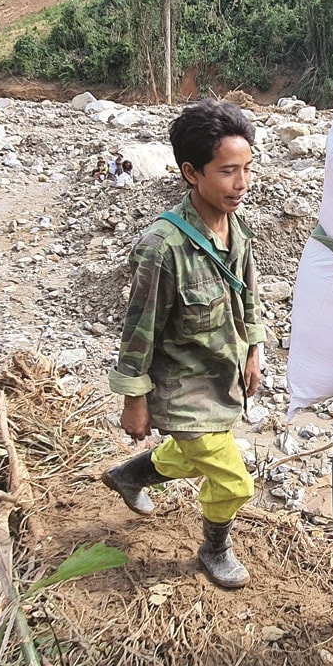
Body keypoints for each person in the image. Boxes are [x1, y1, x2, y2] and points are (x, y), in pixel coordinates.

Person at [103, 99, 264, 589]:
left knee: (194, 455)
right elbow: (139, 329)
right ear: (191, 173)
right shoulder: (162, 248)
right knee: (235, 482)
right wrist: (134, 400)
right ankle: (214, 549)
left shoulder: (235, 226)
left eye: (248, 169)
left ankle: (129, 476)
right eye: (229, 172)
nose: (242, 184)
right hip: (181, 387)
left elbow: (249, 291)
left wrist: (253, 348)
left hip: (222, 373)